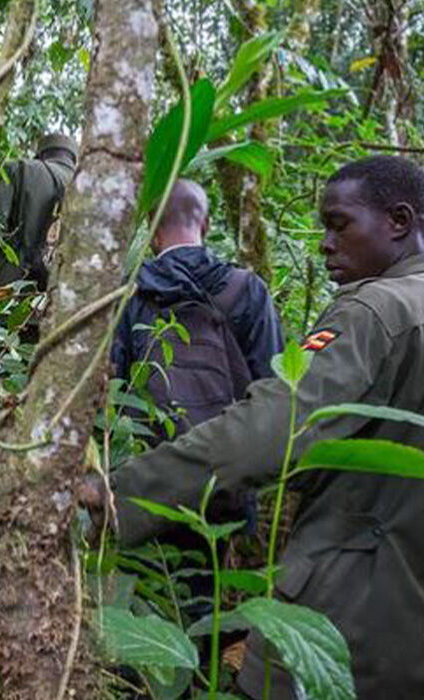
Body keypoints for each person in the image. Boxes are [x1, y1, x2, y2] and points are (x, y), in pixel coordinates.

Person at [84, 156, 424, 699]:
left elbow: (264, 432)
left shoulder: (373, 312)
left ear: (399, 222)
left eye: (339, 224)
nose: (325, 245)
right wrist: (423, 549)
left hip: (324, 639)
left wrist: (116, 495)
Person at [109, 179, 284, 623]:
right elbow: (272, 388)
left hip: (144, 477)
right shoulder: (247, 290)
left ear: (152, 226)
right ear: (206, 223)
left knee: (144, 598)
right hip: (219, 484)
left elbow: (107, 385)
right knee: (201, 598)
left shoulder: (130, 293)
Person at [0, 133, 78, 291]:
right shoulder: (90, 190)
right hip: (66, 292)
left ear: (41, 154)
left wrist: (7, 261)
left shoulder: (20, 169)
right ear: (73, 158)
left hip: (13, 287)